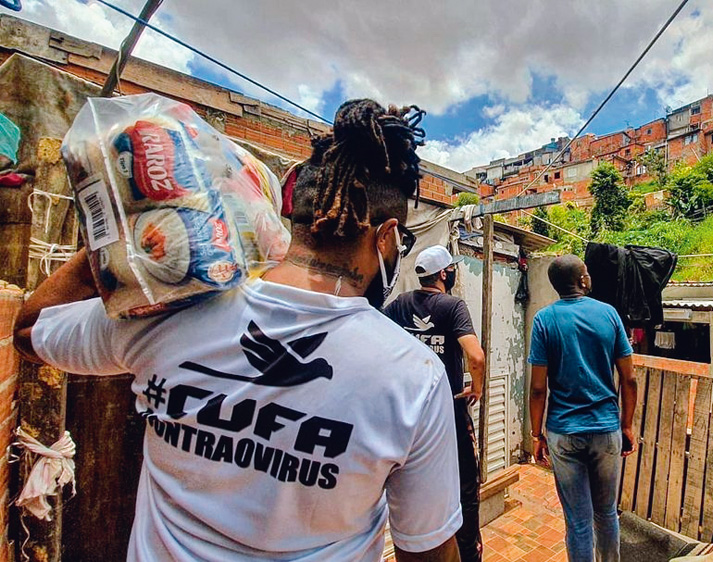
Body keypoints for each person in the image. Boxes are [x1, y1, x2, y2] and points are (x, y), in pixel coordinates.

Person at [14, 99, 463, 562]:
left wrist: (122, 246)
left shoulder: (169, 310)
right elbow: (426, 551)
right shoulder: (414, 378)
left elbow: (29, 333)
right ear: (386, 236)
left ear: (294, 217)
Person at [528, 254, 638, 562]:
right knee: (606, 513)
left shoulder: (544, 320)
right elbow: (629, 379)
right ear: (583, 280)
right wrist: (626, 425)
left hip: (563, 433)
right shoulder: (609, 314)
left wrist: (536, 435)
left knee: (577, 522)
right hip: (605, 428)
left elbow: (538, 387)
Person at [384, 245, 486, 562]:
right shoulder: (452, 306)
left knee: (416, 486)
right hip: (449, 411)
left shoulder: (400, 304)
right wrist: (477, 388)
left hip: (408, 413)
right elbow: (476, 356)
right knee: (466, 486)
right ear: (444, 273)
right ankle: (468, 554)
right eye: (451, 268)